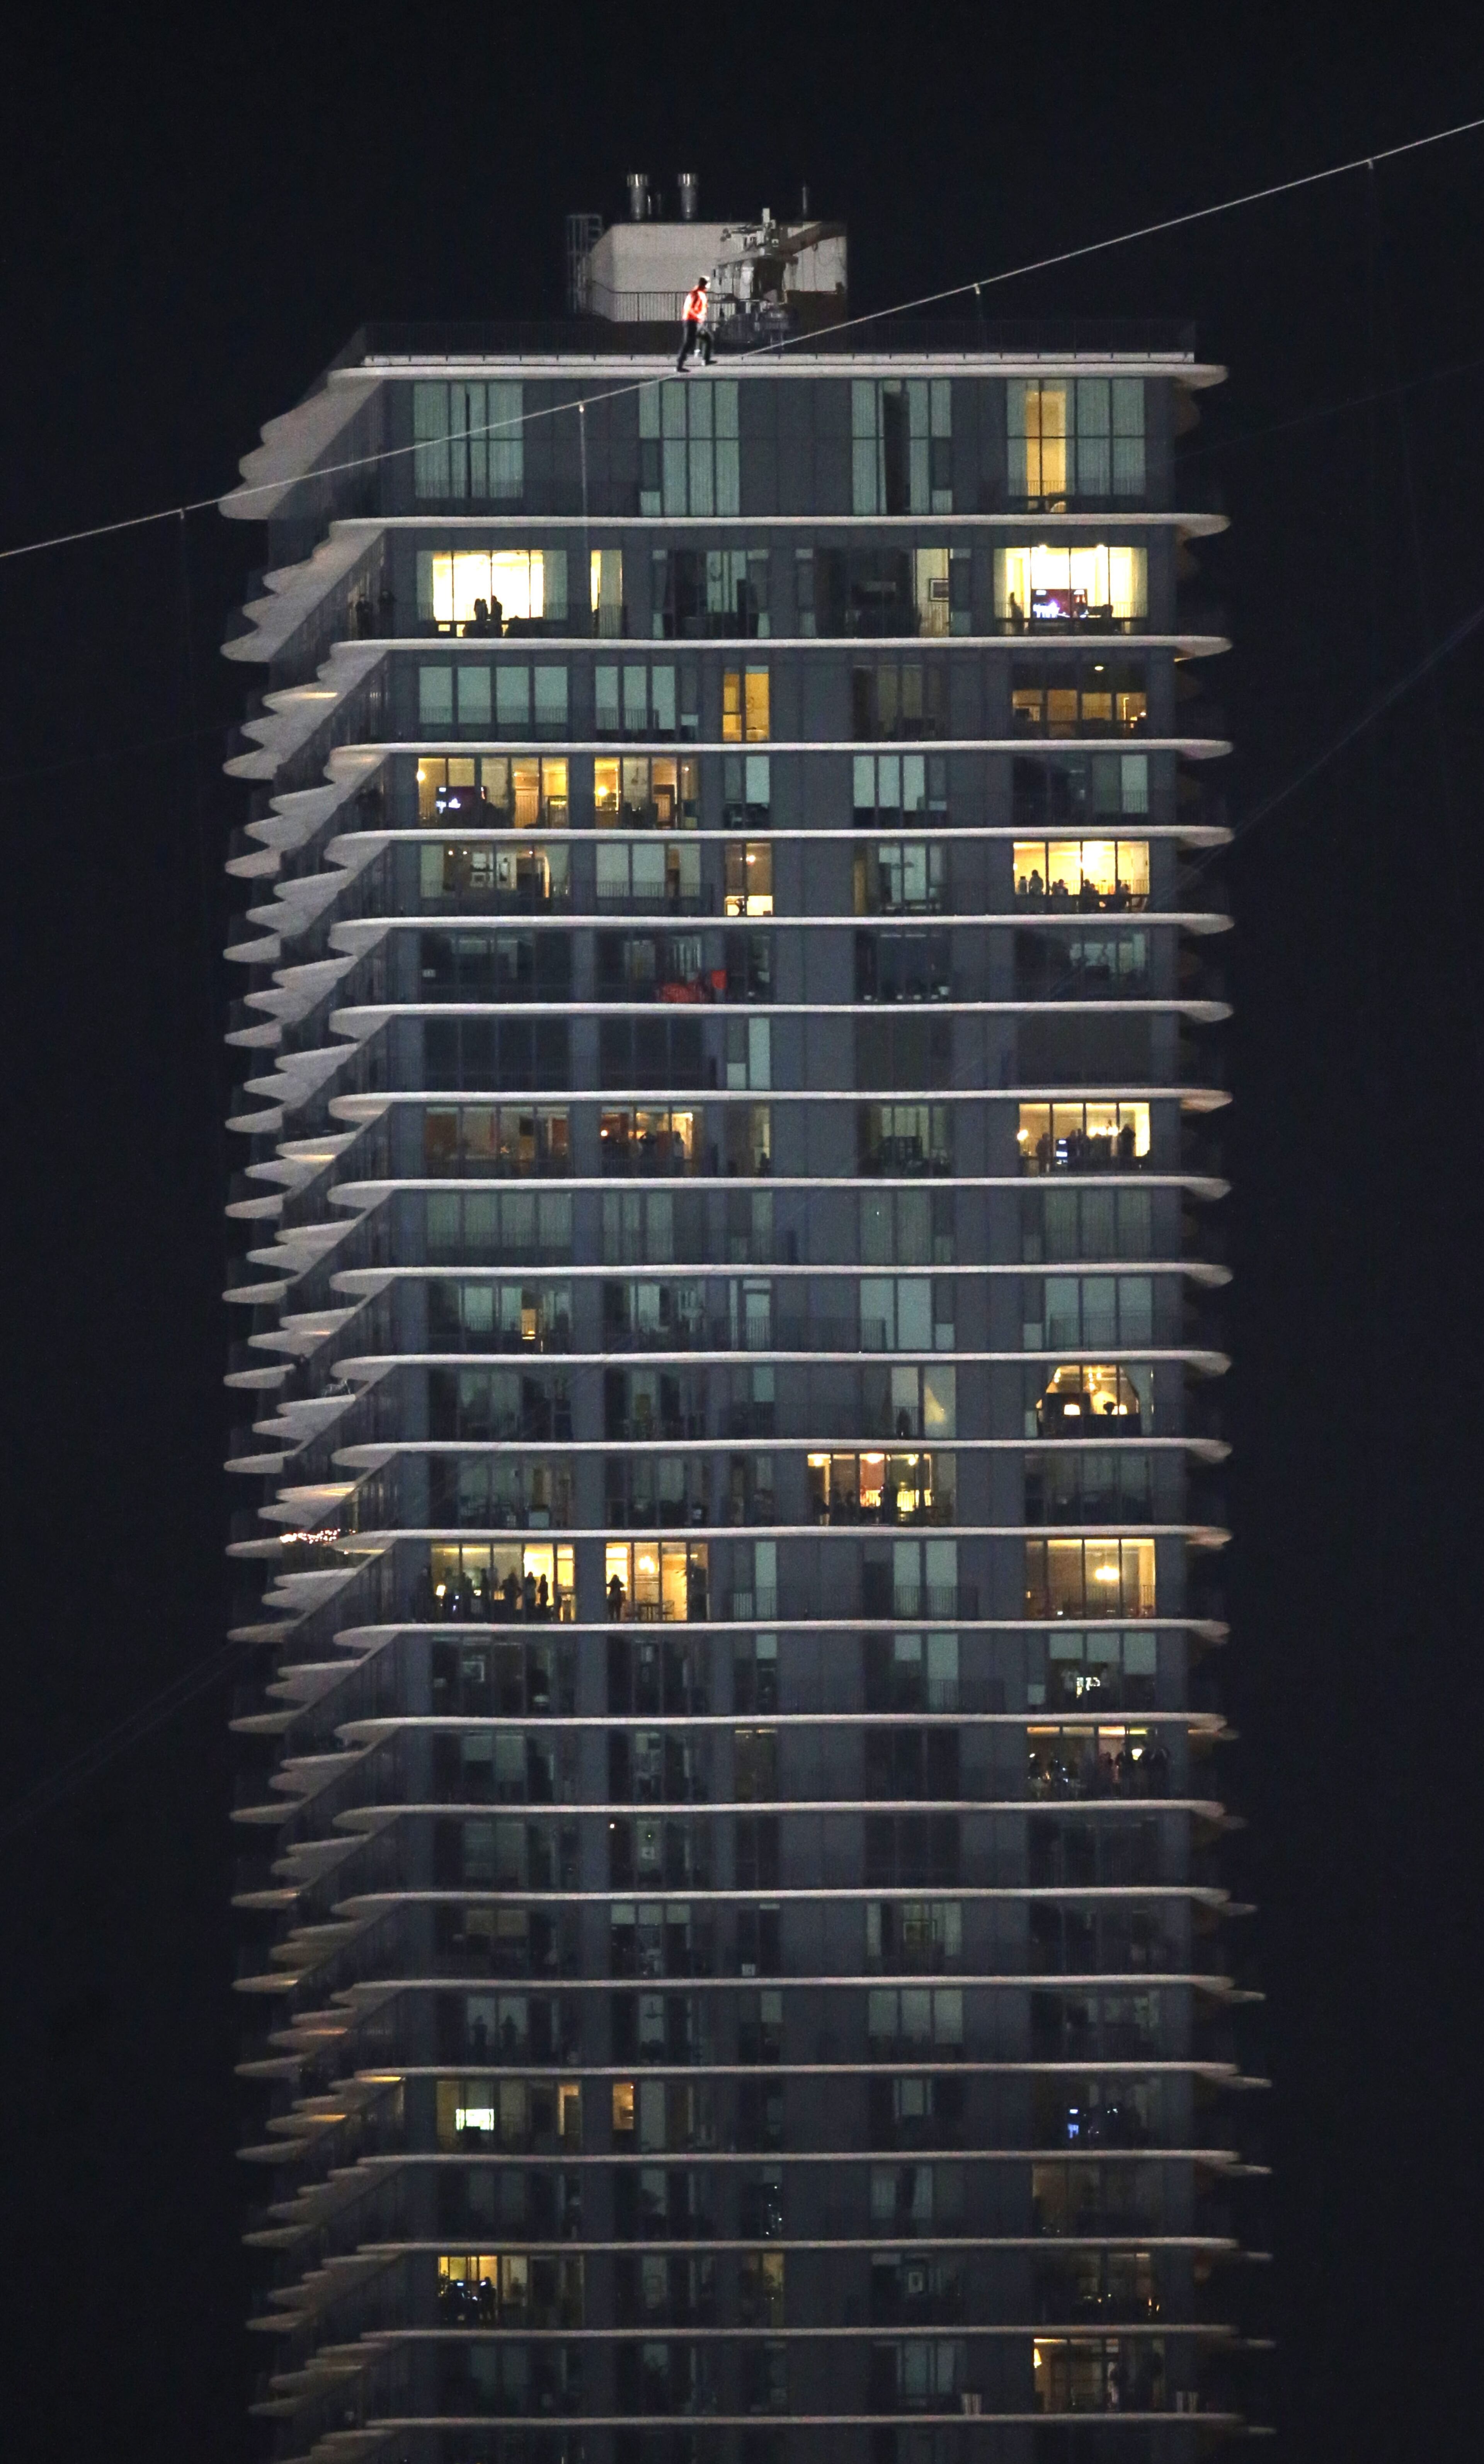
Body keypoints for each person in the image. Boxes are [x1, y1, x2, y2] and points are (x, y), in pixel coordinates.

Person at [676, 276, 713, 371]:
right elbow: (692, 308)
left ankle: (706, 360)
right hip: (692, 321)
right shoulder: (698, 294)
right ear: (705, 285)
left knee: (707, 339)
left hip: (694, 321)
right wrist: (699, 316)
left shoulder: (696, 293)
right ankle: (680, 365)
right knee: (689, 343)